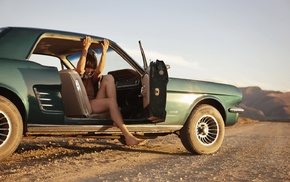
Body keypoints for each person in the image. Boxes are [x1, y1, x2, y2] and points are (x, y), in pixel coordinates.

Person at [75, 36, 145, 146]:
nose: (89, 70)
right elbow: (79, 69)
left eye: (91, 68)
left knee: (109, 78)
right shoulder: (79, 76)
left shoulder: (92, 77)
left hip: (94, 103)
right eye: (87, 67)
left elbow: (99, 71)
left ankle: (114, 112)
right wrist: (85, 49)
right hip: (85, 105)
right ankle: (128, 136)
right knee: (111, 102)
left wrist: (104, 51)